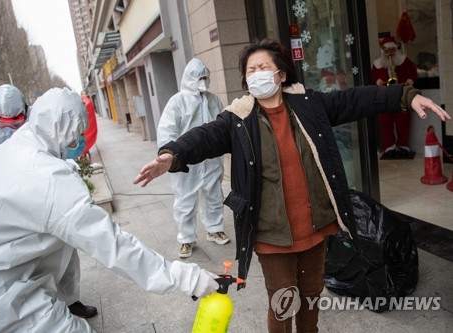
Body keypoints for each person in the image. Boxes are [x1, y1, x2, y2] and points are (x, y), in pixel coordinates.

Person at [133, 39, 450, 332]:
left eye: (263, 67)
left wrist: (405, 96)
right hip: (272, 233)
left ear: (281, 74)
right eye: (250, 71)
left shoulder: (308, 106)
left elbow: (356, 99)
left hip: (314, 227)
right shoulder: (238, 119)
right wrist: (172, 155)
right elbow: (202, 138)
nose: (257, 74)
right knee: (283, 299)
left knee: (311, 294)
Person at [0, 88, 219, 332]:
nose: (81, 140)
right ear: (65, 129)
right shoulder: (48, 178)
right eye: (79, 132)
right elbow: (112, 245)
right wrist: (187, 277)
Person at [157, 58, 230, 258]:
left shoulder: (214, 100)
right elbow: (167, 129)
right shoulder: (177, 101)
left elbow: (223, 125)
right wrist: (169, 154)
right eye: (199, 77)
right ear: (189, 78)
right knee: (185, 201)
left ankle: (214, 229)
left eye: (205, 77)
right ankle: (186, 238)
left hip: (211, 159)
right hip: (186, 159)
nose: (203, 81)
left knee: (214, 195)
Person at [371, 36, 418, 159]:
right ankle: (389, 147)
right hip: (384, 96)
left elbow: (413, 73)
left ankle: (403, 146)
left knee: (403, 121)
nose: (390, 53)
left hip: (401, 94)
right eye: (387, 51)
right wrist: (378, 82)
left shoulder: (404, 61)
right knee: (385, 122)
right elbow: (372, 78)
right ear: (383, 51)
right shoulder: (377, 65)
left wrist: (409, 81)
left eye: (392, 50)